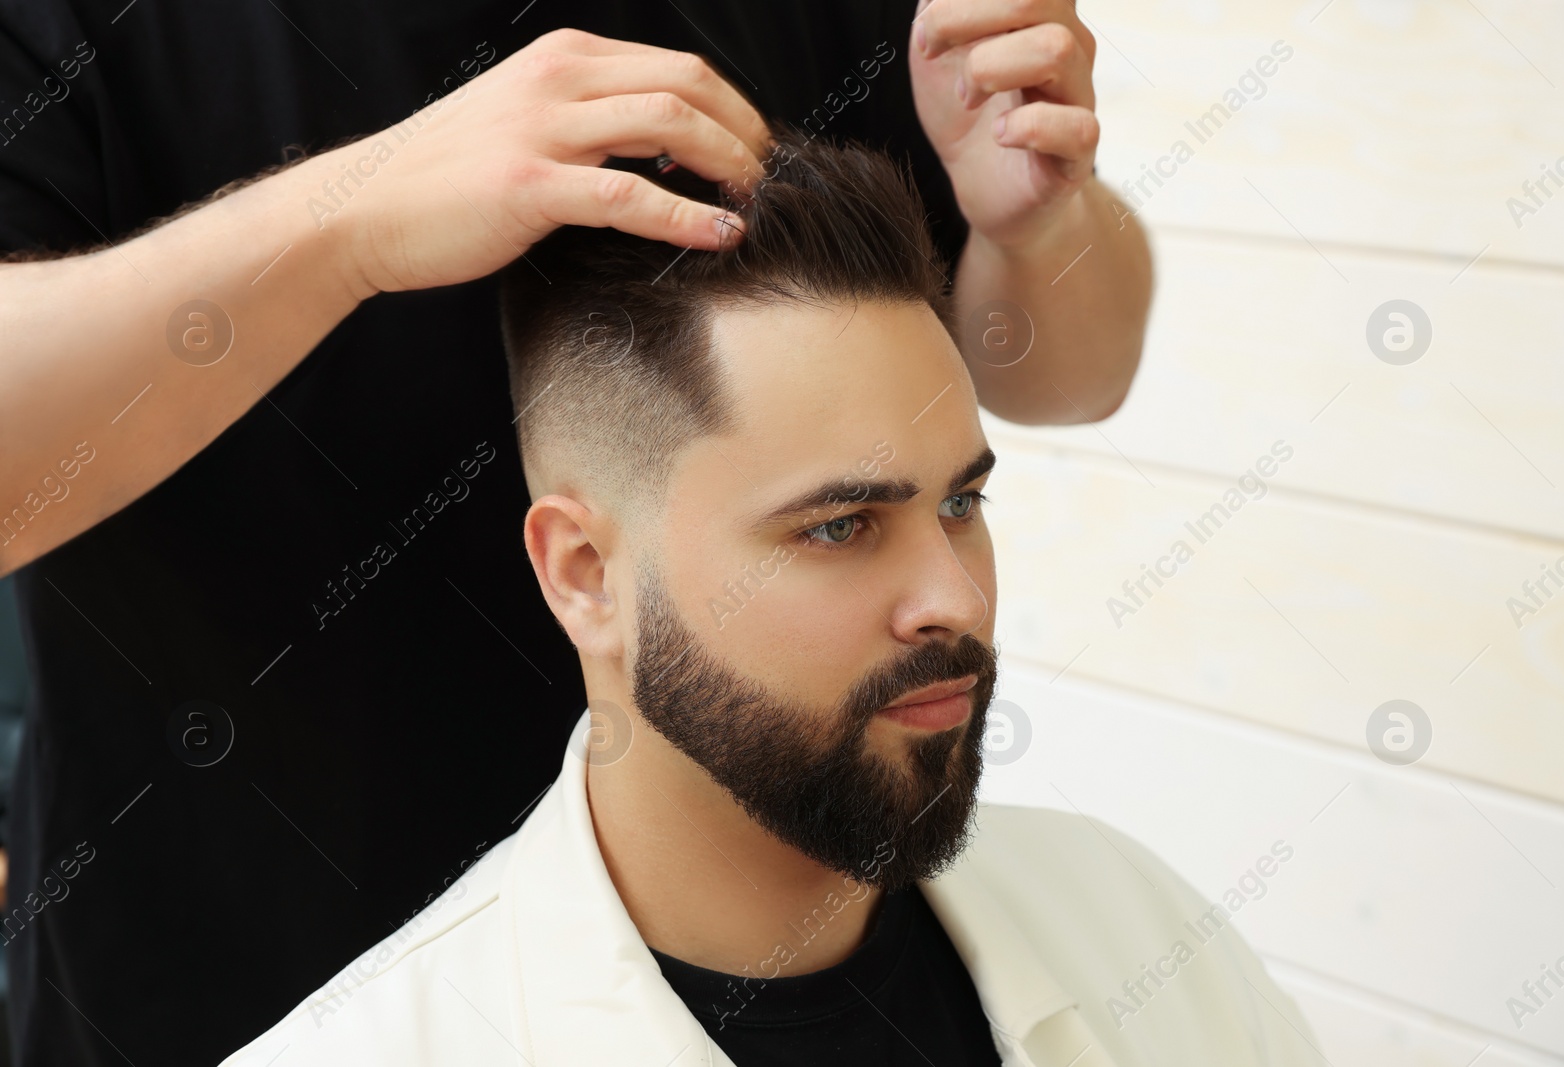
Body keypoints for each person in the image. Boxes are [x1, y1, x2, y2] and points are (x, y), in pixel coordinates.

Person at [0, 2, 1151, 1063]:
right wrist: (344, 221)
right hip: (241, 967)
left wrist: (1041, 219)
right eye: (846, 524)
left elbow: (1063, 373)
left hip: (804, 937)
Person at [220, 128, 1311, 1067]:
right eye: (839, 526)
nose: (954, 597)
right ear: (584, 574)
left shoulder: (1142, 932)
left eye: (961, 504)